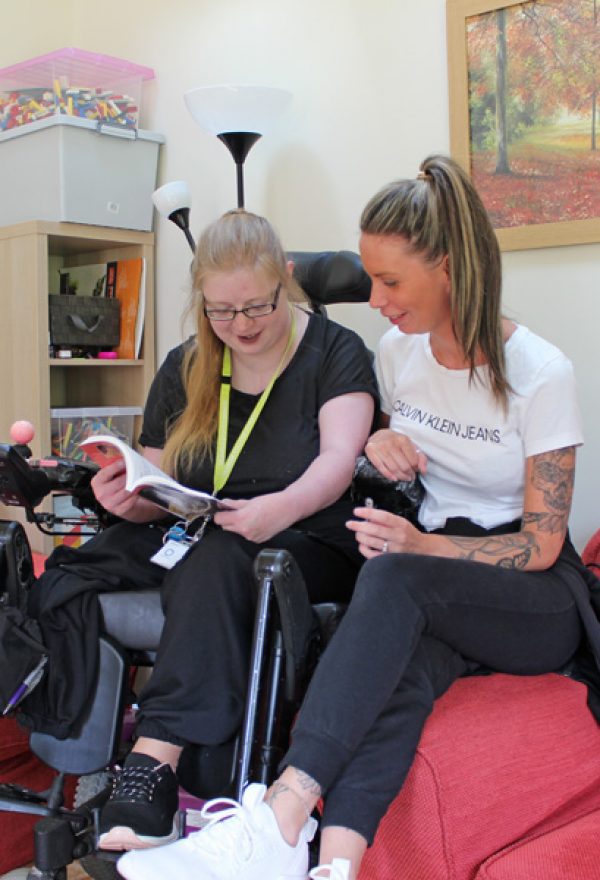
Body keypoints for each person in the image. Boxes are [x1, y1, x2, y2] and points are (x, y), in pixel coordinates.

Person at [117, 155, 600, 880]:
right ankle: (332, 864)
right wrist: (383, 442)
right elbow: (388, 456)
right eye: (370, 278)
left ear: (450, 268)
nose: (375, 298)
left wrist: (418, 548)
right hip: (439, 577)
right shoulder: (400, 355)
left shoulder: (540, 371)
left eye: (392, 281)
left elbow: (540, 544)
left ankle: (281, 809)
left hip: (533, 593)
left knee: (395, 579)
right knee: (399, 681)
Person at [27, 209, 377, 852]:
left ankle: (152, 765)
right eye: (221, 311)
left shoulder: (335, 351)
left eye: (255, 308)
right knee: (74, 570)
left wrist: (277, 510)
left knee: (217, 556)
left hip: (305, 535)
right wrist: (129, 502)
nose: (239, 326)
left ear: (287, 280)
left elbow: (336, 463)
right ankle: (77, 747)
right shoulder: (186, 363)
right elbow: (155, 481)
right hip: (201, 524)